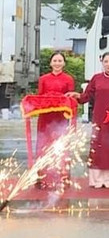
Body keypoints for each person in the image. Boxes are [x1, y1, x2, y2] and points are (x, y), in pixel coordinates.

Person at [70, 52, 109, 188]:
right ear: (102, 62)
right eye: (106, 61)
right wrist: (77, 95)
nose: (108, 64)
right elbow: (87, 96)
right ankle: (96, 180)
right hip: (99, 118)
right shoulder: (96, 78)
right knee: (98, 147)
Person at [35, 52, 76, 188]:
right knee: (44, 145)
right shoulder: (43, 79)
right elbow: (39, 97)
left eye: (60, 61)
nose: (57, 63)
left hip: (61, 117)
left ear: (64, 63)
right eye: (55, 61)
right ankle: (43, 177)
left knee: (61, 145)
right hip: (46, 117)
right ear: (51, 63)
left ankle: (62, 176)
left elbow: (70, 98)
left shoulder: (69, 79)